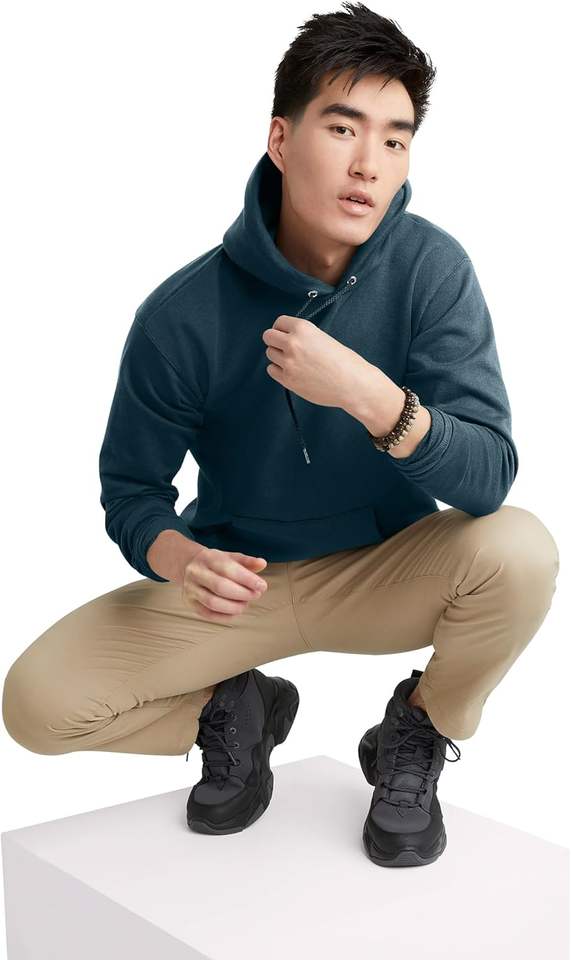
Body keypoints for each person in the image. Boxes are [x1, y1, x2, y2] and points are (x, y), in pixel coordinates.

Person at [2, 2, 559, 868]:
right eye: (342, 128)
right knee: (36, 705)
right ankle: (235, 711)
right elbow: (132, 493)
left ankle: (417, 727)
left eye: (395, 139)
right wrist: (181, 558)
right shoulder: (181, 314)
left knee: (520, 550)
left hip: (388, 572)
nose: (368, 164)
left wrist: (374, 399)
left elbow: (489, 477)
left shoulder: (431, 269)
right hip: (238, 588)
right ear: (280, 139)